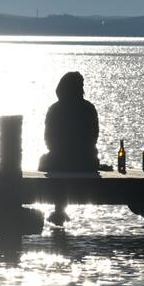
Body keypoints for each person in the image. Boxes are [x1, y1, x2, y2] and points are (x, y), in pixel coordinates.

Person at [38, 71, 99, 226]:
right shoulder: (89, 108)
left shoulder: (55, 109)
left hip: (60, 161)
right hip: (86, 163)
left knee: (45, 161)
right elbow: (94, 137)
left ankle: (59, 209)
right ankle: (60, 211)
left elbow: (48, 139)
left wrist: (61, 151)